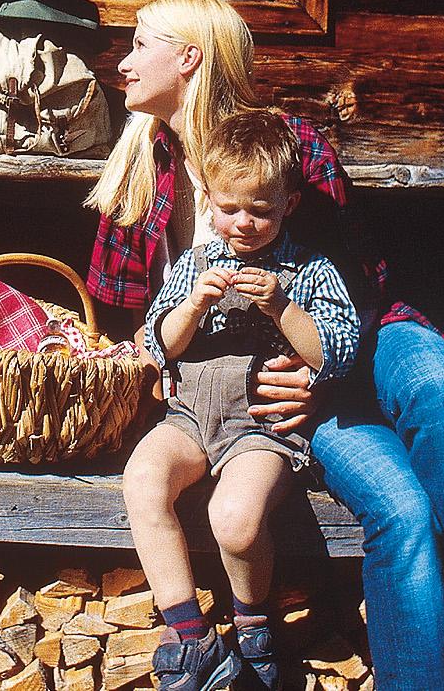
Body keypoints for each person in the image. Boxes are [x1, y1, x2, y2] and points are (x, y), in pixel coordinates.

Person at [85, 0, 444, 691]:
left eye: (138, 44)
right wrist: (166, 358)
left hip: (361, 334)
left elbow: (359, 282)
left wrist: (321, 375)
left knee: (439, 388)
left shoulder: (289, 145)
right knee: (402, 509)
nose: (122, 63)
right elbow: (132, 317)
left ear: (188, 57)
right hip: (246, 391)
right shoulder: (138, 166)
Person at [126, 108, 360, 691]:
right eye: (229, 208)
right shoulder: (194, 264)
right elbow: (159, 343)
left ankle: (255, 627)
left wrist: (282, 306)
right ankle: (190, 634)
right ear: (207, 199)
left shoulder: (309, 269)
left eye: (261, 210)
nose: (244, 224)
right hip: (189, 416)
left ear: (289, 205)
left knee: (233, 519)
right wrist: (193, 305)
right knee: (144, 480)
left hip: (261, 427)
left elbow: (336, 351)